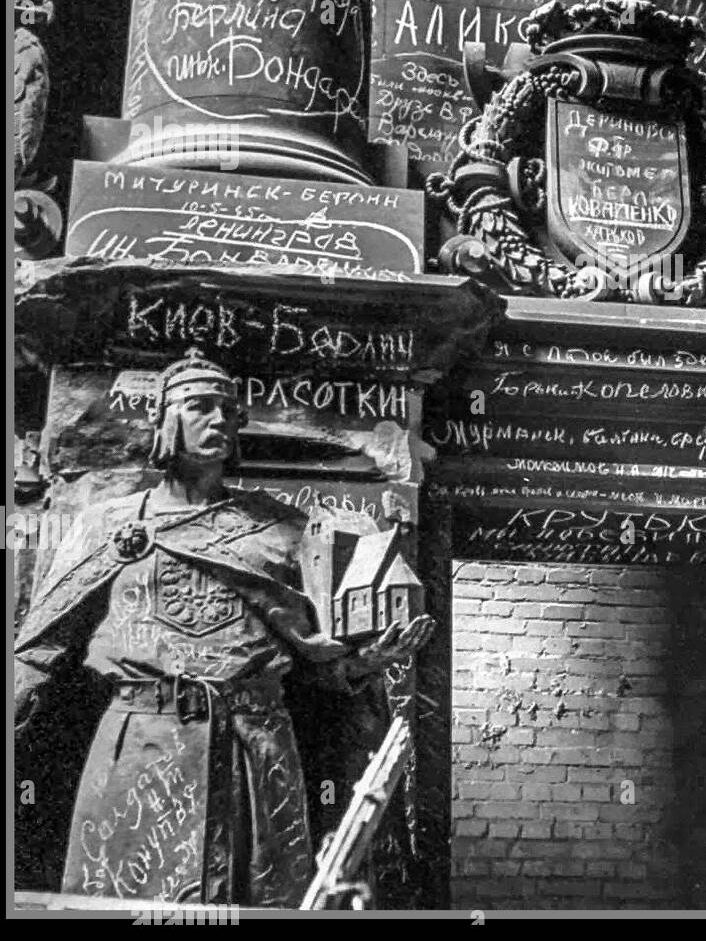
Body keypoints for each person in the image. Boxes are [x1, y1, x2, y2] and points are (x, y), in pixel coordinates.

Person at [14, 348, 432, 907]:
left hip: (254, 748)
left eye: (228, 412)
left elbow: (318, 668)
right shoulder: (106, 527)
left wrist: (365, 663)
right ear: (164, 419)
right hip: (141, 743)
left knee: (251, 901)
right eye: (200, 407)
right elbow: (39, 651)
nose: (218, 421)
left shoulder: (280, 530)